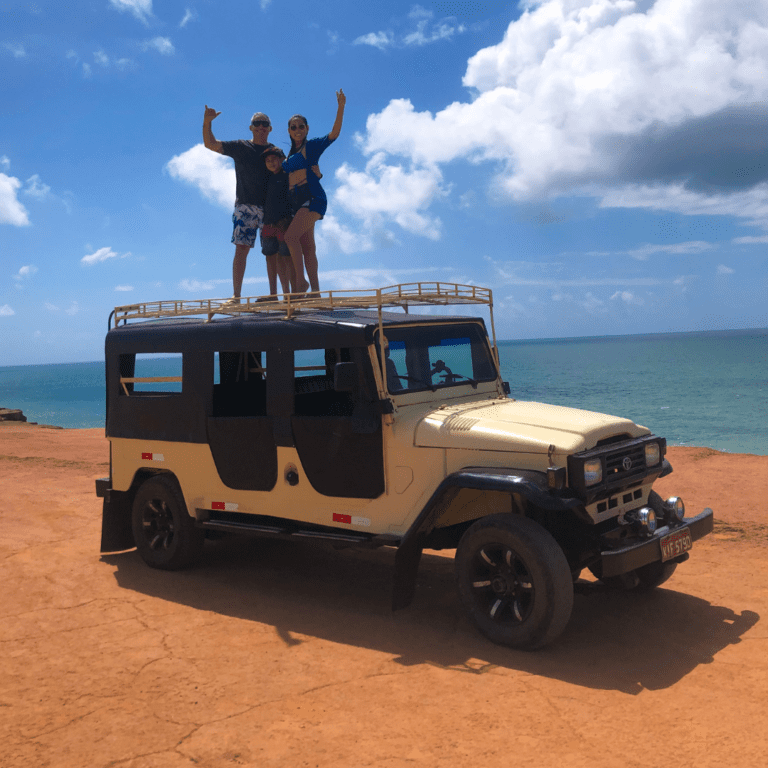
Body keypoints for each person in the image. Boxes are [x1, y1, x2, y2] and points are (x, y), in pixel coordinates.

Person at [203, 105, 274, 302]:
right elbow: (210, 144)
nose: (261, 126)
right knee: (241, 250)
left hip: (269, 208)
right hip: (245, 206)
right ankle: (236, 295)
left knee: (272, 251)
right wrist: (207, 122)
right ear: (251, 127)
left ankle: (273, 295)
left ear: (270, 129)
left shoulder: (275, 152)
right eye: (257, 123)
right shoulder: (242, 146)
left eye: (264, 123)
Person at [283, 89, 346, 295]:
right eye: (294, 127)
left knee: (290, 237)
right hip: (297, 202)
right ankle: (316, 291)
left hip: (312, 199)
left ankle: (301, 283)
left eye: (301, 126)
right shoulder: (290, 153)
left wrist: (341, 107)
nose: (298, 130)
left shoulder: (312, 146)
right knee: (308, 246)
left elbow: (333, 135)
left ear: (307, 129)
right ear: (289, 131)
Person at [260, 147, 295, 296]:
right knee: (271, 257)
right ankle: (278, 293)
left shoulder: (288, 175)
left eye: (274, 159)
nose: (271, 163)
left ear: (282, 159)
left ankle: (292, 293)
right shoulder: (266, 178)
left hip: (284, 222)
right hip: (268, 223)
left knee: (287, 258)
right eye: (268, 161)